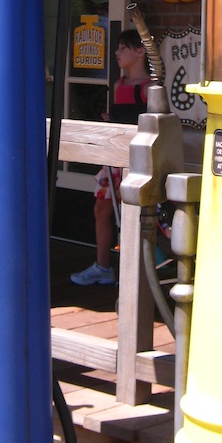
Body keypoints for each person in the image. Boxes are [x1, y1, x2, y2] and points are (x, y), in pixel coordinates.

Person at [71, 28, 151, 286]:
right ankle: (103, 265)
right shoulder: (119, 85)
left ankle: (136, 269)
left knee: (133, 213)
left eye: (123, 48)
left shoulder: (150, 88)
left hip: (137, 159)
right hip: (115, 158)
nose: (117, 53)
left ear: (140, 51)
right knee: (102, 208)